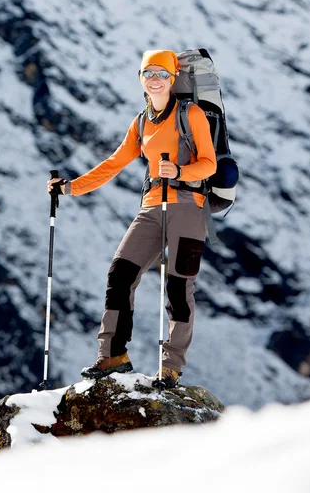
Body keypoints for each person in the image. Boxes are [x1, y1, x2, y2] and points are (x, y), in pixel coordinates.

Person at [47, 50, 216, 387]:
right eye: (149, 73)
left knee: (179, 287)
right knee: (120, 273)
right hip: (152, 205)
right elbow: (113, 163)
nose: (155, 79)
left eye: (162, 74)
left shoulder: (190, 114)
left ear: (172, 79)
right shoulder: (141, 122)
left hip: (188, 206)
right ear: (141, 78)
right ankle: (113, 355)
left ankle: (171, 367)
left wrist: (180, 170)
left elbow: (209, 164)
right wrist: (70, 188)